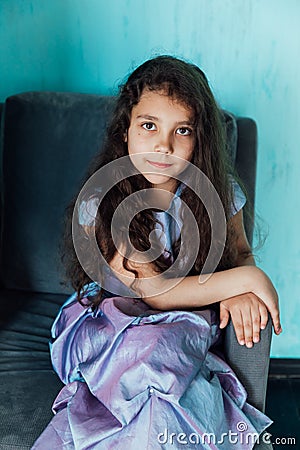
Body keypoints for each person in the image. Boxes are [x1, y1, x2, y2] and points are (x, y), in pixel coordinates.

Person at [32, 56, 281, 449]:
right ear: (126, 131)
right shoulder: (105, 200)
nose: (163, 146)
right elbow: (153, 292)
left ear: (199, 139)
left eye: (182, 130)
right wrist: (251, 280)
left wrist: (237, 283)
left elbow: (240, 252)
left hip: (181, 322)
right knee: (151, 355)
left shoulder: (217, 194)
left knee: (168, 372)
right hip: (112, 324)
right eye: (149, 126)